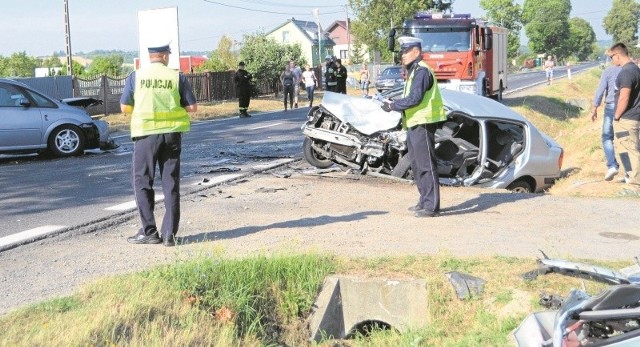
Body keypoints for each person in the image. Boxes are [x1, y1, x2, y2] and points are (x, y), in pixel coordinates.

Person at [119, 42, 197, 246]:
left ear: (151, 56)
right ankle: (169, 235)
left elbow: (125, 107)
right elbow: (192, 107)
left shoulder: (136, 76)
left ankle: (149, 232)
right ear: (164, 56)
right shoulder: (176, 76)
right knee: (170, 182)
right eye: (168, 55)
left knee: (143, 181)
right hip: (171, 135)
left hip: (145, 136)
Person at [380, 36, 446, 218]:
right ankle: (424, 200)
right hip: (415, 123)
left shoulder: (422, 71)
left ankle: (431, 206)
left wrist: (392, 106)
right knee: (417, 165)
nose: (403, 55)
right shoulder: (415, 70)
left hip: (423, 123)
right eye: (402, 51)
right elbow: (411, 97)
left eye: (406, 51)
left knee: (426, 165)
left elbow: (415, 98)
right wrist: (393, 102)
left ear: (416, 52)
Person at [610, 42, 640, 185]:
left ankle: (635, 180)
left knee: (630, 148)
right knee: (623, 149)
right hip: (630, 117)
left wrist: (616, 116)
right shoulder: (635, 69)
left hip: (627, 118)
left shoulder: (627, 72)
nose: (611, 60)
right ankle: (629, 174)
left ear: (617, 55)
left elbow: (624, 97)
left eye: (611, 57)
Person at [590, 52, 622, 181]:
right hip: (629, 107)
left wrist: (594, 108)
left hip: (611, 106)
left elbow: (600, 90)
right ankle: (630, 170)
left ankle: (612, 165)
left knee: (607, 136)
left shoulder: (608, 71)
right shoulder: (633, 69)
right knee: (625, 138)